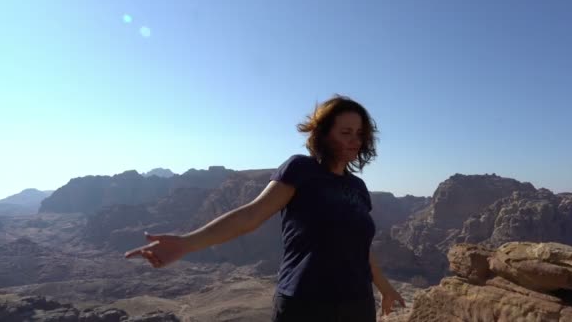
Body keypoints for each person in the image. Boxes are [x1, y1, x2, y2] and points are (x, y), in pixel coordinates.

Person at [124, 95, 406, 321]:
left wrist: (384, 288)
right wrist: (187, 243)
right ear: (323, 133)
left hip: (357, 305)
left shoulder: (358, 187)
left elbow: (360, 247)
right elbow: (250, 215)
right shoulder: (301, 169)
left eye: (359, 133)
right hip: (306, 305)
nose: (354, 140)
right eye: (345, 132)